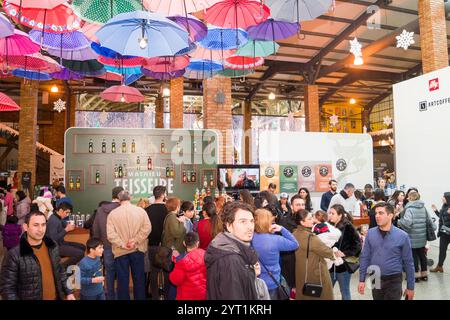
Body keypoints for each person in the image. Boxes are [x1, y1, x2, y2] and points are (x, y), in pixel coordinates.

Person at [0, 211, 75, 300]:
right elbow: (7, 289)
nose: (40, 229)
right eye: (36, 225)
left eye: (43, 225)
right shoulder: (14, 254)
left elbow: (60, 271)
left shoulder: (52, 246)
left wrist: (69, 292)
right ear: (25, 227)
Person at [358, 202, 415, 300]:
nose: (377, 216)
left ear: (390, 216)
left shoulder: (402, 236)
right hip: (375, 276)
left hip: (393, 278)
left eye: (381, 213)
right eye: (376, 213)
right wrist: (361, 279)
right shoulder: (370, 233)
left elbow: (409, 263)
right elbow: (365, 257)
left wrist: (410, 287)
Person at [205, 201, 259, 300]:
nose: (250, 227)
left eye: (251, 221)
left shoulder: (227, 248)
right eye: (243, 221)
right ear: (229, 226)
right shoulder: (231, 260)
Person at [107, 190, 152, 300]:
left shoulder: (112, 214)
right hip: (137, 249)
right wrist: (135, 240)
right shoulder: (141, 211)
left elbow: (110, 235)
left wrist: (123, 244)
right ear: (130, 198)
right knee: (139, 280)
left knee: (122, 281)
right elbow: (147, 228)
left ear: (118, 199)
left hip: (120, 251)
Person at [252, 208, 299, 300]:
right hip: (272, 282)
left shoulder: (249, 238)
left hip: (254, 281)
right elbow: (295, 244)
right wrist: (282, 229)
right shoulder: (276, 240)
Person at [293, 209, 335, 300]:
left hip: (301, 272)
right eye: (309, 218)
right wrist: (333, 252)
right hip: (315, 273)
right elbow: (326, 251)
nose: (313, 220)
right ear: (302, 222)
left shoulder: (294, 234)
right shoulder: (310, 237)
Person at [91, 186, 123, 300]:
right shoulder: (123, 209)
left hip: (106, 246)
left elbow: (95, 229)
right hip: (121, 247)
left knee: (109, 273)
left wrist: (99, 244)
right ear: (121, 196)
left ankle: (110, 296)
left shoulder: (100, 210)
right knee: (121, 273)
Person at [398, 190, 436, 282]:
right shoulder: (423, 208)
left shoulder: (409, 209)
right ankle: (424, 275)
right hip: (422, 237)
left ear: (411, 198)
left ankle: (416, 276)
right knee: (422, 255)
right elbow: (429, 221)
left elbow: (407, 222)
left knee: (414, 256)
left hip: (412, 237)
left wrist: (399, 221)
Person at [328, 204, 361, 300]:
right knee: (327, 291)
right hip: (330, 265)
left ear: (340, 215)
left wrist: (345, 253)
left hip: (343, 266)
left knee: (344, 292)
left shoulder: (348, 227)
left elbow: (357, 246)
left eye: (332, 213)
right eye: (329, 213)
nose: (330, 215)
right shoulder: (328, 225)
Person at [278, 195, 305, 293]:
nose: (301, 207)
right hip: (289, 264)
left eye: (303, 204)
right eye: (298, 205)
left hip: (305, 264)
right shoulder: (284, 222)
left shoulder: (309, 222)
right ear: (292, 206)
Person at [145, 185, 169, 300]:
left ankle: (155, 296)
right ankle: (166, 295)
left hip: (152, 245)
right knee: (166, 272)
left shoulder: (147, 210)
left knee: (153, 272)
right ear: (164, 195)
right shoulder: (168, 210)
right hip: (165, 246)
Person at [46, 202, 86, 269]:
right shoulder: (53, 220)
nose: (67, 215)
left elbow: (63, 223)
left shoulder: (58, 217)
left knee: (82, 247)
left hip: (61, 243)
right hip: (55, 247)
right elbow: (53, 238)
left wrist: (68, 225)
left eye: (68, 213)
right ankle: (63, 268)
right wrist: (66, 230)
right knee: (80, 253)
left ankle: (71, 266)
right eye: (66, 213)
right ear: (61, 210)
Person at [169, 232, 207, 300]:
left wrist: (171, 273)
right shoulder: (205, 255)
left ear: (184, 243)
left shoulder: (182, 262)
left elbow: (175, 280)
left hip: (186, 296)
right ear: (197, 243)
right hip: (203, 295)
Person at [430, 192, 450, 273]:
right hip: (444, 232)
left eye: (444, 197)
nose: (442, 198)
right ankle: (439, 266)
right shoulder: (445, 206)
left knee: (442, 250)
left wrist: (447, 214)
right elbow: (442, 218)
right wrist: (436, 211)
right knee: (442, 250)